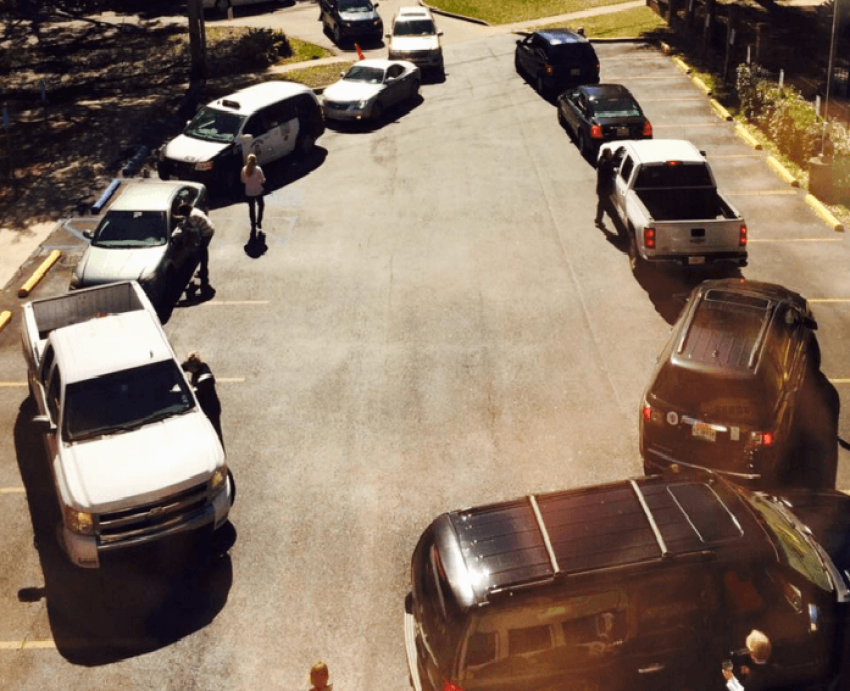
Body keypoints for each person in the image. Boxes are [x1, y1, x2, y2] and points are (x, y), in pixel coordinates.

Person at [181, 351, 223, 445]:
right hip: (203, 405)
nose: (188, 369)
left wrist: (188, 386)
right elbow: (182, 368)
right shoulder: (200, 366)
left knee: (215, 433)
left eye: (189, 367)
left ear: (194, 365)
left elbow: (196, 392)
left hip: (211, 409)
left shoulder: (206, 377)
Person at [174, 201, 215, 292]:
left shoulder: (192, 216)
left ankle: (203, 271)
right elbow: (187, 220)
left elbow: (195, 231)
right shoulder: (193, 210)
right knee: (203, 251)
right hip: (209, 228)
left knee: (202, 252)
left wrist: (183, 228)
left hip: (206, 233)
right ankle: (203, 271)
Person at [240, 153, 266, 233]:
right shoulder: (258, 169)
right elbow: (262, 180)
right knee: (261, 205)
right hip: (258, 190)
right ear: (255, 160)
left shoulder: (244, 169)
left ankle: (253, 224)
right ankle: (259, 221)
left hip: (249, 192)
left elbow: (243, 180)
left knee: (251, 208)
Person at [595, 148, 615, 225]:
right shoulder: (606, 164)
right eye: (610, 154)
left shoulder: (601, 161)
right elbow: (610, 171)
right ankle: (599, 220)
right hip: (604, 189)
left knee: (601, 204)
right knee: (602, 205)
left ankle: (598, 219)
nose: (611, 155)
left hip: (601, 188)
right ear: (606, 154)